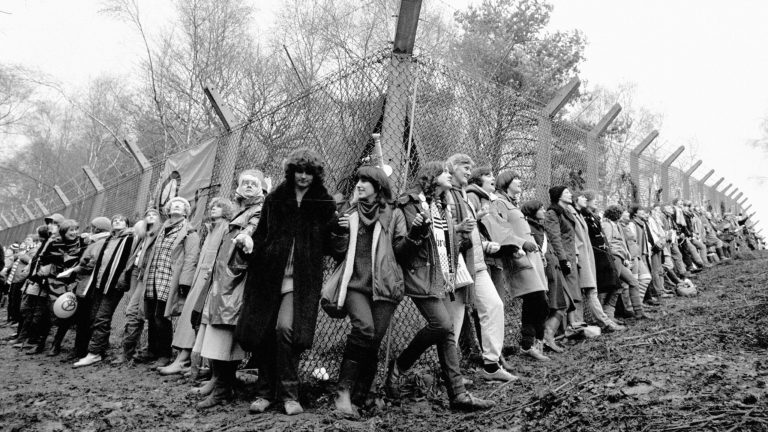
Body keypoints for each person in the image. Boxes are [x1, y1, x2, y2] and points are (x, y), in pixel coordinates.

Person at [384, 161, 494, 412]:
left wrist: (462, 235)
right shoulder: (409, 204)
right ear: (432, 177)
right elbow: (401, 250)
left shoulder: (442, 204)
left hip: (442, 276)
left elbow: (447, 243)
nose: (449, 175)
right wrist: (416, 232)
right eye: (445, 172)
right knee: (443, 324)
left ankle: (458, 395)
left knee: (446, 333)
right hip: (420, 275)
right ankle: (399, 366)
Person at [237, 148, 337, 416]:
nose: (303, 176)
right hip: (268, 277)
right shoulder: (275, 198)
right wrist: (248, 243)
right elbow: (261, 235)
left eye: (308, 172)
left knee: (285, 330)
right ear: (291, 172)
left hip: (301, 281)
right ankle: (264, 393)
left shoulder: (324, 202)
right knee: (266, 333)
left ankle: (290, 395)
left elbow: (332, 244)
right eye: (298, 171)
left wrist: (341, 228)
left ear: (315, 174)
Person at [330, 166, 405, 418]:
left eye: (366, 181)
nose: (359, 184)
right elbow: (337, 252)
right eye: (358, 180)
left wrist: (416, 234)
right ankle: (342, 392)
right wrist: (339, 231)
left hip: (384, 286)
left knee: (372, 341)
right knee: (364, 328)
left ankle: (362, 394)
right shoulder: (348, 212)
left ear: (379, 186)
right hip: (354, 285)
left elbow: (402, 250)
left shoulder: (393, 214)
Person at [193, 171, 264, 409]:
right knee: (217, 331)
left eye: (254, 184)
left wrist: (247, 237)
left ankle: (223, 389)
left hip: (237, 279)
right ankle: (221, 383)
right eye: (245, 183)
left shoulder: (257, 210)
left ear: (262, 189)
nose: (249, 187)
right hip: (225, 278)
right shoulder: (240, 210)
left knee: (224, 331)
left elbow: (252, 229)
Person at [445, 155, 514, 380]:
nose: (469, 171)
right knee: (454, 319)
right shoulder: (446, 194)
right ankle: (449, 372)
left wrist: (484, 244)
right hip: (458, 266)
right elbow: (444, 230)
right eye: (465, 167)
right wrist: (458, 228)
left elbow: (471, 232)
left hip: (477, 264)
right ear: (452, 168)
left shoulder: (464, 195)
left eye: (471, 168)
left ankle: (491, 366)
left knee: (494, 306)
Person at [159, 198, 233, 376]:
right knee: (190, 316)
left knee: (193, 317)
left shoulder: (225, 227)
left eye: (219, 206)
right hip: (200, 277)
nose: (214, 209)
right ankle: (187, 360)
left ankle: (186, 360)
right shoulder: (211, 229)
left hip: (209, 278)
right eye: (212, 206)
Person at [488, 170, 550, 361]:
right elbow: (498, 230)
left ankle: (529, 344)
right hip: (518, 257)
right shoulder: (498, 202)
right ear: (506, 182)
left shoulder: (509, 202)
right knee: (539, 301)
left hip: (531, 257)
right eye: (517, 180)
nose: (520, 182)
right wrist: (522, 243)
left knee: (535, 301)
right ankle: (531, 343)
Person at [142, 198, 200, 369]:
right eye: (174, 203)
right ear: (168, 209)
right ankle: (151, 350)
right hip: (153, 276)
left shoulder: (189, 232)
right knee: (151, 314)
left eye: (181, 205)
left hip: (169, 278)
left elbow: (191, 258)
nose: (177, 205)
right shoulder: (160, 229)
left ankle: (164, 354)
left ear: (185, 212)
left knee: (162, 316)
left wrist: (184, 282)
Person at [73, 214, 136, 367]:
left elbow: (131, 260)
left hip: (114, 284)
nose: (117, 221)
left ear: (127, 224)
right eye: (114, 220)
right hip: (99, 283)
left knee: (102, 317)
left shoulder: (130, 239)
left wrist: (123, 278)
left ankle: (94, 353)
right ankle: (100, 349)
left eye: (121, 219)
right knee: (95, 316)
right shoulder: (108, 240)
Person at [113, 208, 162, 365]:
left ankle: (127, 353)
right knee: (133, 311)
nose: (151, 217)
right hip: (135, 272)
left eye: (154, 215)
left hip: (147, 275)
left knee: (134, 311)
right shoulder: (141, 236)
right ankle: (132, 350)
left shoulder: (160, 234)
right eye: (148, 215)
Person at [572, 191, 623, 332]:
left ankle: (605, 318)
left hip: (602, 256)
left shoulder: (593, 217)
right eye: (592, 199)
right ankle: (602, 321)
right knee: (595, 289)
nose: (596, 202)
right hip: (593, 257)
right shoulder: (582, 216)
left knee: (606, 287)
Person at [520, 200, 566, 352]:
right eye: (540, 209)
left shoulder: (541, 227)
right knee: (545, 307)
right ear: (532, 212)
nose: (544, 211)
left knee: (558, 305)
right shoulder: (529, 228)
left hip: (553, 269)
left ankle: (546, 338)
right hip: (544, 272)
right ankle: (541, 341)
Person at [66, 217, 112, 360]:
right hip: (90, 286)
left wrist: (76, 269)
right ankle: (86, 349)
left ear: (96, 229)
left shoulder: (98, 243)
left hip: (88, 287)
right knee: (89, 319)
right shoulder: (102, 242)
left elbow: (90, 264)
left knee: (85, 319)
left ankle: (81, 351)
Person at [41, 219, 87, 356]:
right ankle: (40, 342)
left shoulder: (83, 242)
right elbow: (44, 258)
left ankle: (56, 344)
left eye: (76, 229)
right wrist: (62, 258)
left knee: (66, 312)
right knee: (48, 312)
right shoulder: (55, 243)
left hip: (72, 283)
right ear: (63, 232)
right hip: (54, 281)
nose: (74, 232)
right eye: (70, 230)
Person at [543, 187, 581, 332]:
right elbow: (555, 238)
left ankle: (570, 327)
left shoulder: (565, 212)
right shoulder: (553, 213)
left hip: (570, 256)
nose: (571, 194)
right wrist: (563, 260)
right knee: (564, 295)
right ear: (558, 196)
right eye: (566, 193)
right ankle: (555, 331)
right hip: (561, 258)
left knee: (571, 293)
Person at [601, 205, 642, 321]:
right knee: (616, 286)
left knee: (633, 282)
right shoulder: (607, 225)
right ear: (616, 214)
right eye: (621, 213)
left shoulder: (616, 225)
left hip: (620, 258)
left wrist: (625, 257)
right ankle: (609, 315)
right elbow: (607, 243)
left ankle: (639, 311)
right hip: (614, 258)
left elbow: (622, 243)